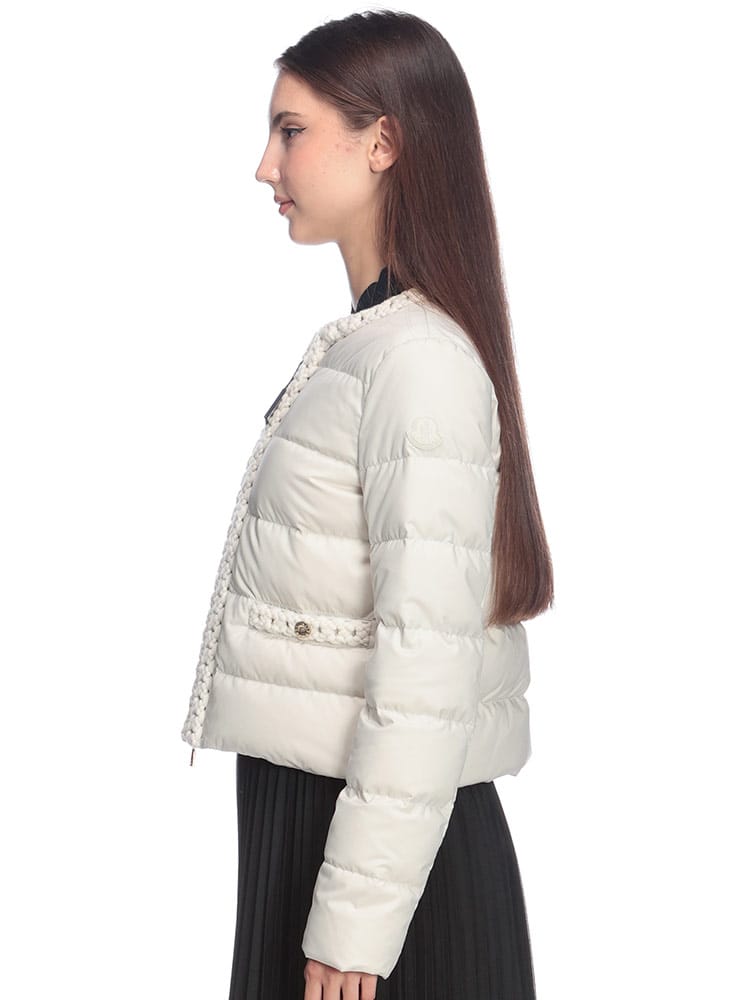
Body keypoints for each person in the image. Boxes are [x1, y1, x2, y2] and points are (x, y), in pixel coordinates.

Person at [180, 10, 554, 1000]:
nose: (265, 166)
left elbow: (426, 668)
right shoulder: (372, 345)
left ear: (382, 141)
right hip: (328, 833)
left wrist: (354, 924)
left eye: (291, 131)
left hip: (377, 869)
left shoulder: (417, 361)